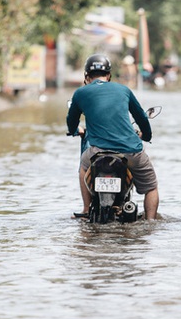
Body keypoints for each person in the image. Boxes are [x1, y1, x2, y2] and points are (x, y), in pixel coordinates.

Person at [66, 53, 159, 220]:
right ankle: (150, 222)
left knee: (83, 166)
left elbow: (71, 121)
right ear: (108, 75)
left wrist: (75, 130)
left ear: (86, 76)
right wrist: (147, 135)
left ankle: (86, 209)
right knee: (151, 187)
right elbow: (141, 118)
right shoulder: (123, 90)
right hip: (130, 151)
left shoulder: (80, 93)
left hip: (98, 152)